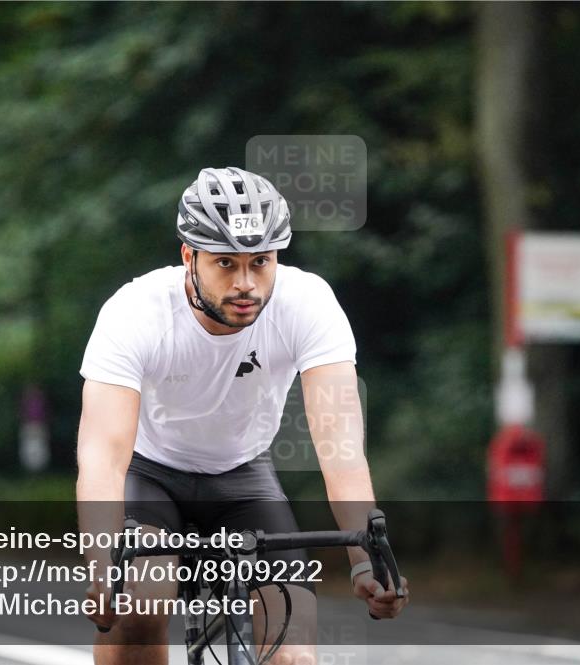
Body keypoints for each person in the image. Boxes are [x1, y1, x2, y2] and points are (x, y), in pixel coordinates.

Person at [76, 167, 408, 665]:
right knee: (139, 606)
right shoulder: (134, 312)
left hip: (242, 476)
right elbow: (103, 457)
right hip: (151, 476)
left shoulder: (308, 305)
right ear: (189, 257)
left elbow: (340, 448)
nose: (246, 284)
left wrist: (366, 562)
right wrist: (102, 561)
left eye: (261, 262)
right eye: (225, 264)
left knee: (293, 645)